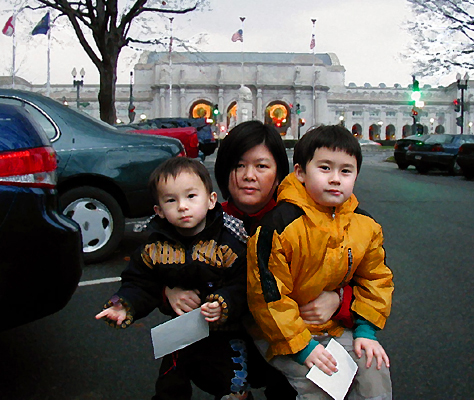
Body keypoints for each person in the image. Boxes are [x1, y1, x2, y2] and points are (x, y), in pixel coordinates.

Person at [247, 124, 394, 399]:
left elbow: (376, 279)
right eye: (325, 168)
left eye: (345, 171)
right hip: (284, 334)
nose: (336, 179)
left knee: (374, 372)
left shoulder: (365, 225)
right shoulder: (278, 226)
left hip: (336, 326)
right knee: (321, 387)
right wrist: (302, 347)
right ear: (300, 172)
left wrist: (365, 329)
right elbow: (267, 295)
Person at [96, 157, 252, 400]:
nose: (182, 206)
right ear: (159, 210)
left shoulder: (227, 239)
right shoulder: (154, 246)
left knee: (233, 385)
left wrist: (224, 303)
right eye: (171, 200)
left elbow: (244, 281)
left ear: (211, 200)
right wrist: (124, 304)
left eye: (191, 196)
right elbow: (139, 281)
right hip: (182, 331)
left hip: (226, 331)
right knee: (170, 386)